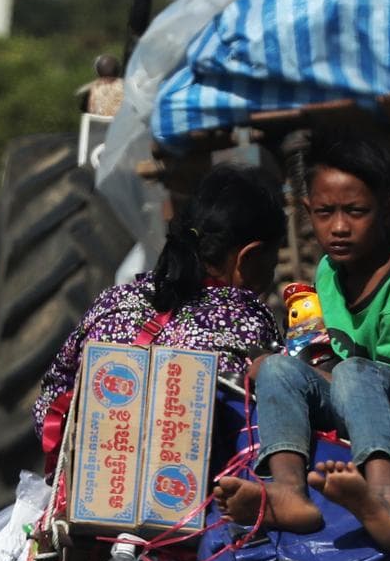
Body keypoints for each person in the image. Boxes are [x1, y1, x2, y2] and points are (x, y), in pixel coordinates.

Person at [217, 129, 390, 553]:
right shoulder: (331, 273)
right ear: (305, 211)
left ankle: (384, 502)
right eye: (323, 212)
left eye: (355, 211)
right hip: (367, 395)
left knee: (354, 372)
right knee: (278, 368)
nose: (338, 228)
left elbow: (380, 388)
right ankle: (287, 492)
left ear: (387, 211)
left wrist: (315, 373)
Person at [32, 164, 285, 456]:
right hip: (195, 494)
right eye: (273, 260)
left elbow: (51, 399)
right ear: (248, 256)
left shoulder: (112, 301)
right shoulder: (250, 320)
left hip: (94, 485)